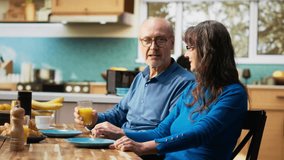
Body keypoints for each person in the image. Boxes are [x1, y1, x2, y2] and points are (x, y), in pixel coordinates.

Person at [110, 20, 248, 160]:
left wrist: (143, 147)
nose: (186, 55)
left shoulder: (234, 94)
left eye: (191, 48)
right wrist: (120, 134)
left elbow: (200, 134)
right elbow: (161, 132)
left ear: (208, 52)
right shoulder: (193, 89)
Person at [74, 17, 195, 140]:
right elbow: (119, 114)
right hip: (122, 144)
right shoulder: (140, 77)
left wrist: (123, 134)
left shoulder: (186, 83)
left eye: (161, 40)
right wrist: (95, 119)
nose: (153, 47)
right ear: (140, 43)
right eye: (147, 40)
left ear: (172, 43)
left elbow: (168, 134)